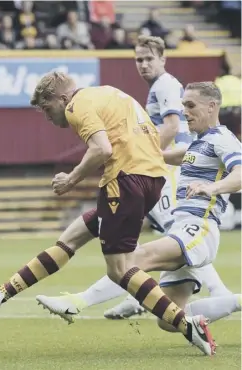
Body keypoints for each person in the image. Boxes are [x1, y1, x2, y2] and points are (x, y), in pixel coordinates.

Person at [0, 71, 215, 355]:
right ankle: (3, 292)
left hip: (126, 179)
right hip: (152, 179)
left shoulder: (77, 105)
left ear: (63, 98)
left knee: (120, 270)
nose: (48, 116)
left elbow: (102, 149)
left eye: (47, 108)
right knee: (72, 237)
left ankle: (187, 325)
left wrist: (72, 178)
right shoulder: (109, 93)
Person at [36, 82, 241, 355]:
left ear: (212, 107)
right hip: (180, 230)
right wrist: (143, 150)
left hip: (198, 228)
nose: (185, 113)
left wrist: (212, 187)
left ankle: (78, 301)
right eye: (183, 106)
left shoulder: (223, 139)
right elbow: (173, 155)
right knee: (167, 318)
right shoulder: (199, 142)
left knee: (130, 263)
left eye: (191, 106)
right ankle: (223, 308)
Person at [101, 35, 233, 319]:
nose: (143, 64)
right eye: (139, 59)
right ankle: (217, 297)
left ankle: (91, 300)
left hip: (185, 203)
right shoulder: (194, 136)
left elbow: (172, 128)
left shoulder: (167, 88)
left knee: (138, 255)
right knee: (170, 315)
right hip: (179, 198)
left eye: (149, 59)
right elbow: (173, 146)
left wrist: (213, 186)